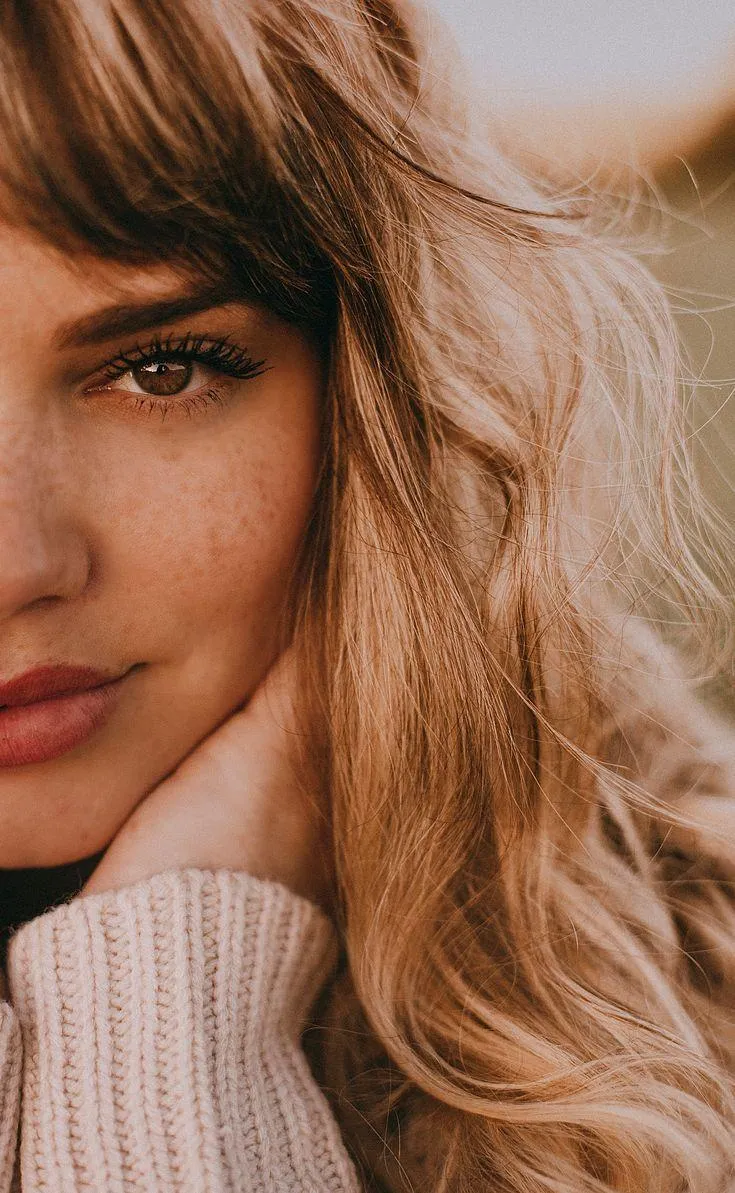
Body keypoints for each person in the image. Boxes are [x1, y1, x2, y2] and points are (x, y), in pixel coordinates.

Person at [0, 1, 732, 1190]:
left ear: (372, 391)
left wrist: (176, 1011)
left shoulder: (698, 1005)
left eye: (161, 366)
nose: (19, 563)